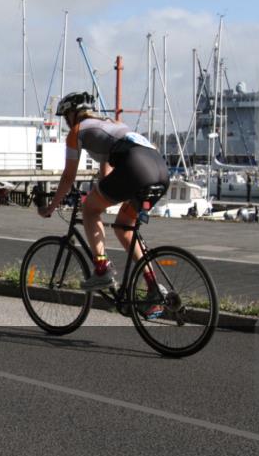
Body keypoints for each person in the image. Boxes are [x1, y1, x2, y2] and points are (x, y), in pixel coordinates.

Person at [38, 92, 170, 315]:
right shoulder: (112, 124)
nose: (66, 121)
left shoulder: (77, 131)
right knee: (123, 226)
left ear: (73, 114)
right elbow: (107, 172)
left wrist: (51, 207)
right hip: (159, 169)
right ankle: (153, 287)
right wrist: (102, 193)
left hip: (136, 167)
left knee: (89, 210)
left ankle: (101, 268)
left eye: (66, 116)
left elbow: (68, 177)